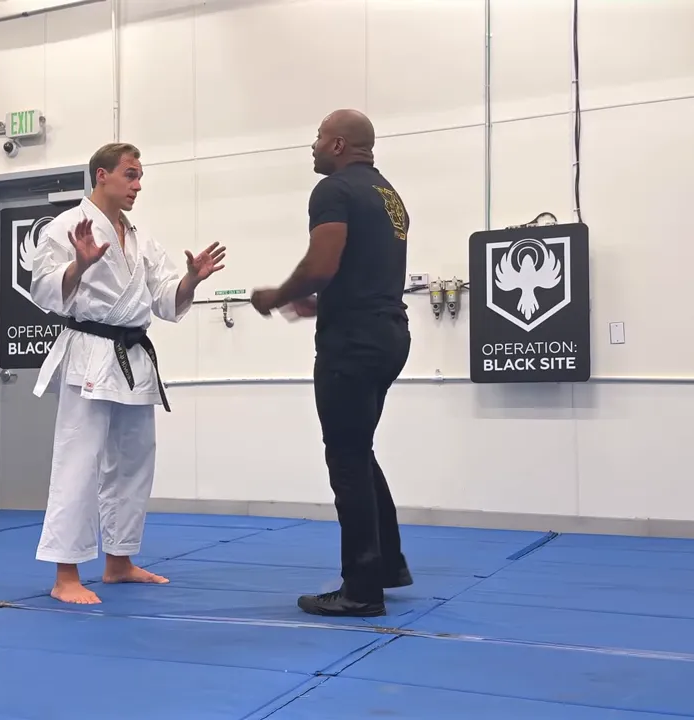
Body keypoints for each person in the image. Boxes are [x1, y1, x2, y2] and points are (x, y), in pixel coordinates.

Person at [30, 142, 226, 604]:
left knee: (135, 460)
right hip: (90, 353)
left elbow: (162, 299)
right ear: (102, 175)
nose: (138, 185)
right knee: (78, 460)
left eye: (140, 176)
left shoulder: (139, 237)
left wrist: (191, 280)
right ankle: (66, 574)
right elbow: (44, 290)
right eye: (130, 175)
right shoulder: (65, 227)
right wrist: (79, 264)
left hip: (133, 356)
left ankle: (118, 561)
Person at [251, 109, 413, 617]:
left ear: (340, 144)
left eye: (319, 137)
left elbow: (322, 265)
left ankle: (362, 590)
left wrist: (276, 295)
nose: (314, 146)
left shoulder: (334, 191)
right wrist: (325, 304)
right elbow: (367, 271)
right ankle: (387, 565)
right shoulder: (389, 196)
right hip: (388, 333)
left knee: (345, 457)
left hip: (353, 343)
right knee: (358, 449)